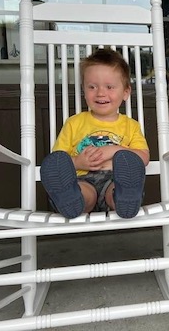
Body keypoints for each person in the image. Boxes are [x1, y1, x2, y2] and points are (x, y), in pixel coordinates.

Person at [40, 48, 149, 219]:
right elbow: (59, 160)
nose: (100, 93)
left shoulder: (131, 126)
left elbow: (143, 157)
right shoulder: (74, 123)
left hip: (116, 180)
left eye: (109, 87)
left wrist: (115, 150)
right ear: (84, 90)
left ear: (126, 92)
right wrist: (78, 162)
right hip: (82, 180)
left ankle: (125, 199)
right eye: (92, 87)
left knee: (116, 191)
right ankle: (71, 201)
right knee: (84, 194)